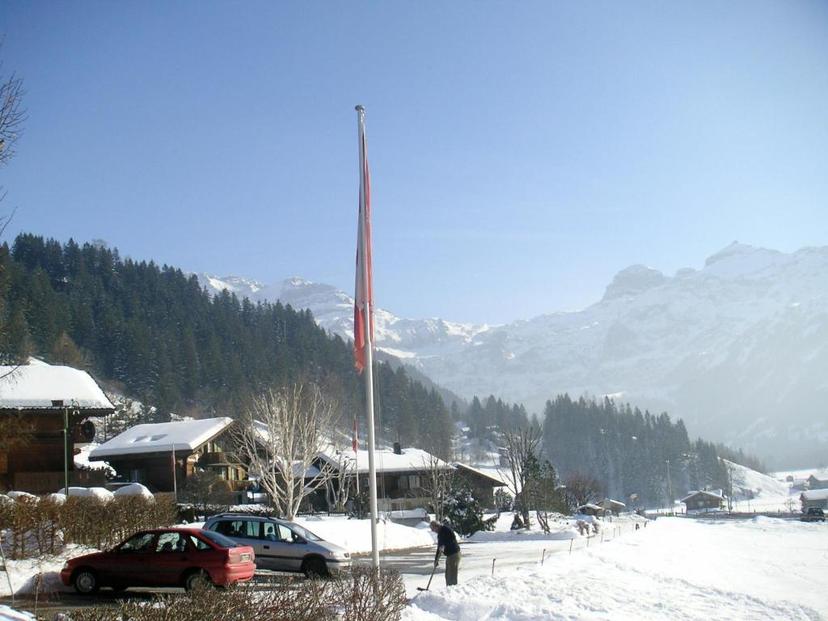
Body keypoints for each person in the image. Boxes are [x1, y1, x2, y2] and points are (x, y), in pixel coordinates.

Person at [430, 520, 460, 586]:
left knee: (452, 575)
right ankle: (448, 588)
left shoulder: (445, 530)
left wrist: (443, 545)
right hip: (450, 555)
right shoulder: (441, 532)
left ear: (436, 526)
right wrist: (436, 560)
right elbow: (440, 547)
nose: (433, 531)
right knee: (448, 575)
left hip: (454, 554)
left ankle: (453, 589)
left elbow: (446, 542)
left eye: (433, 529)